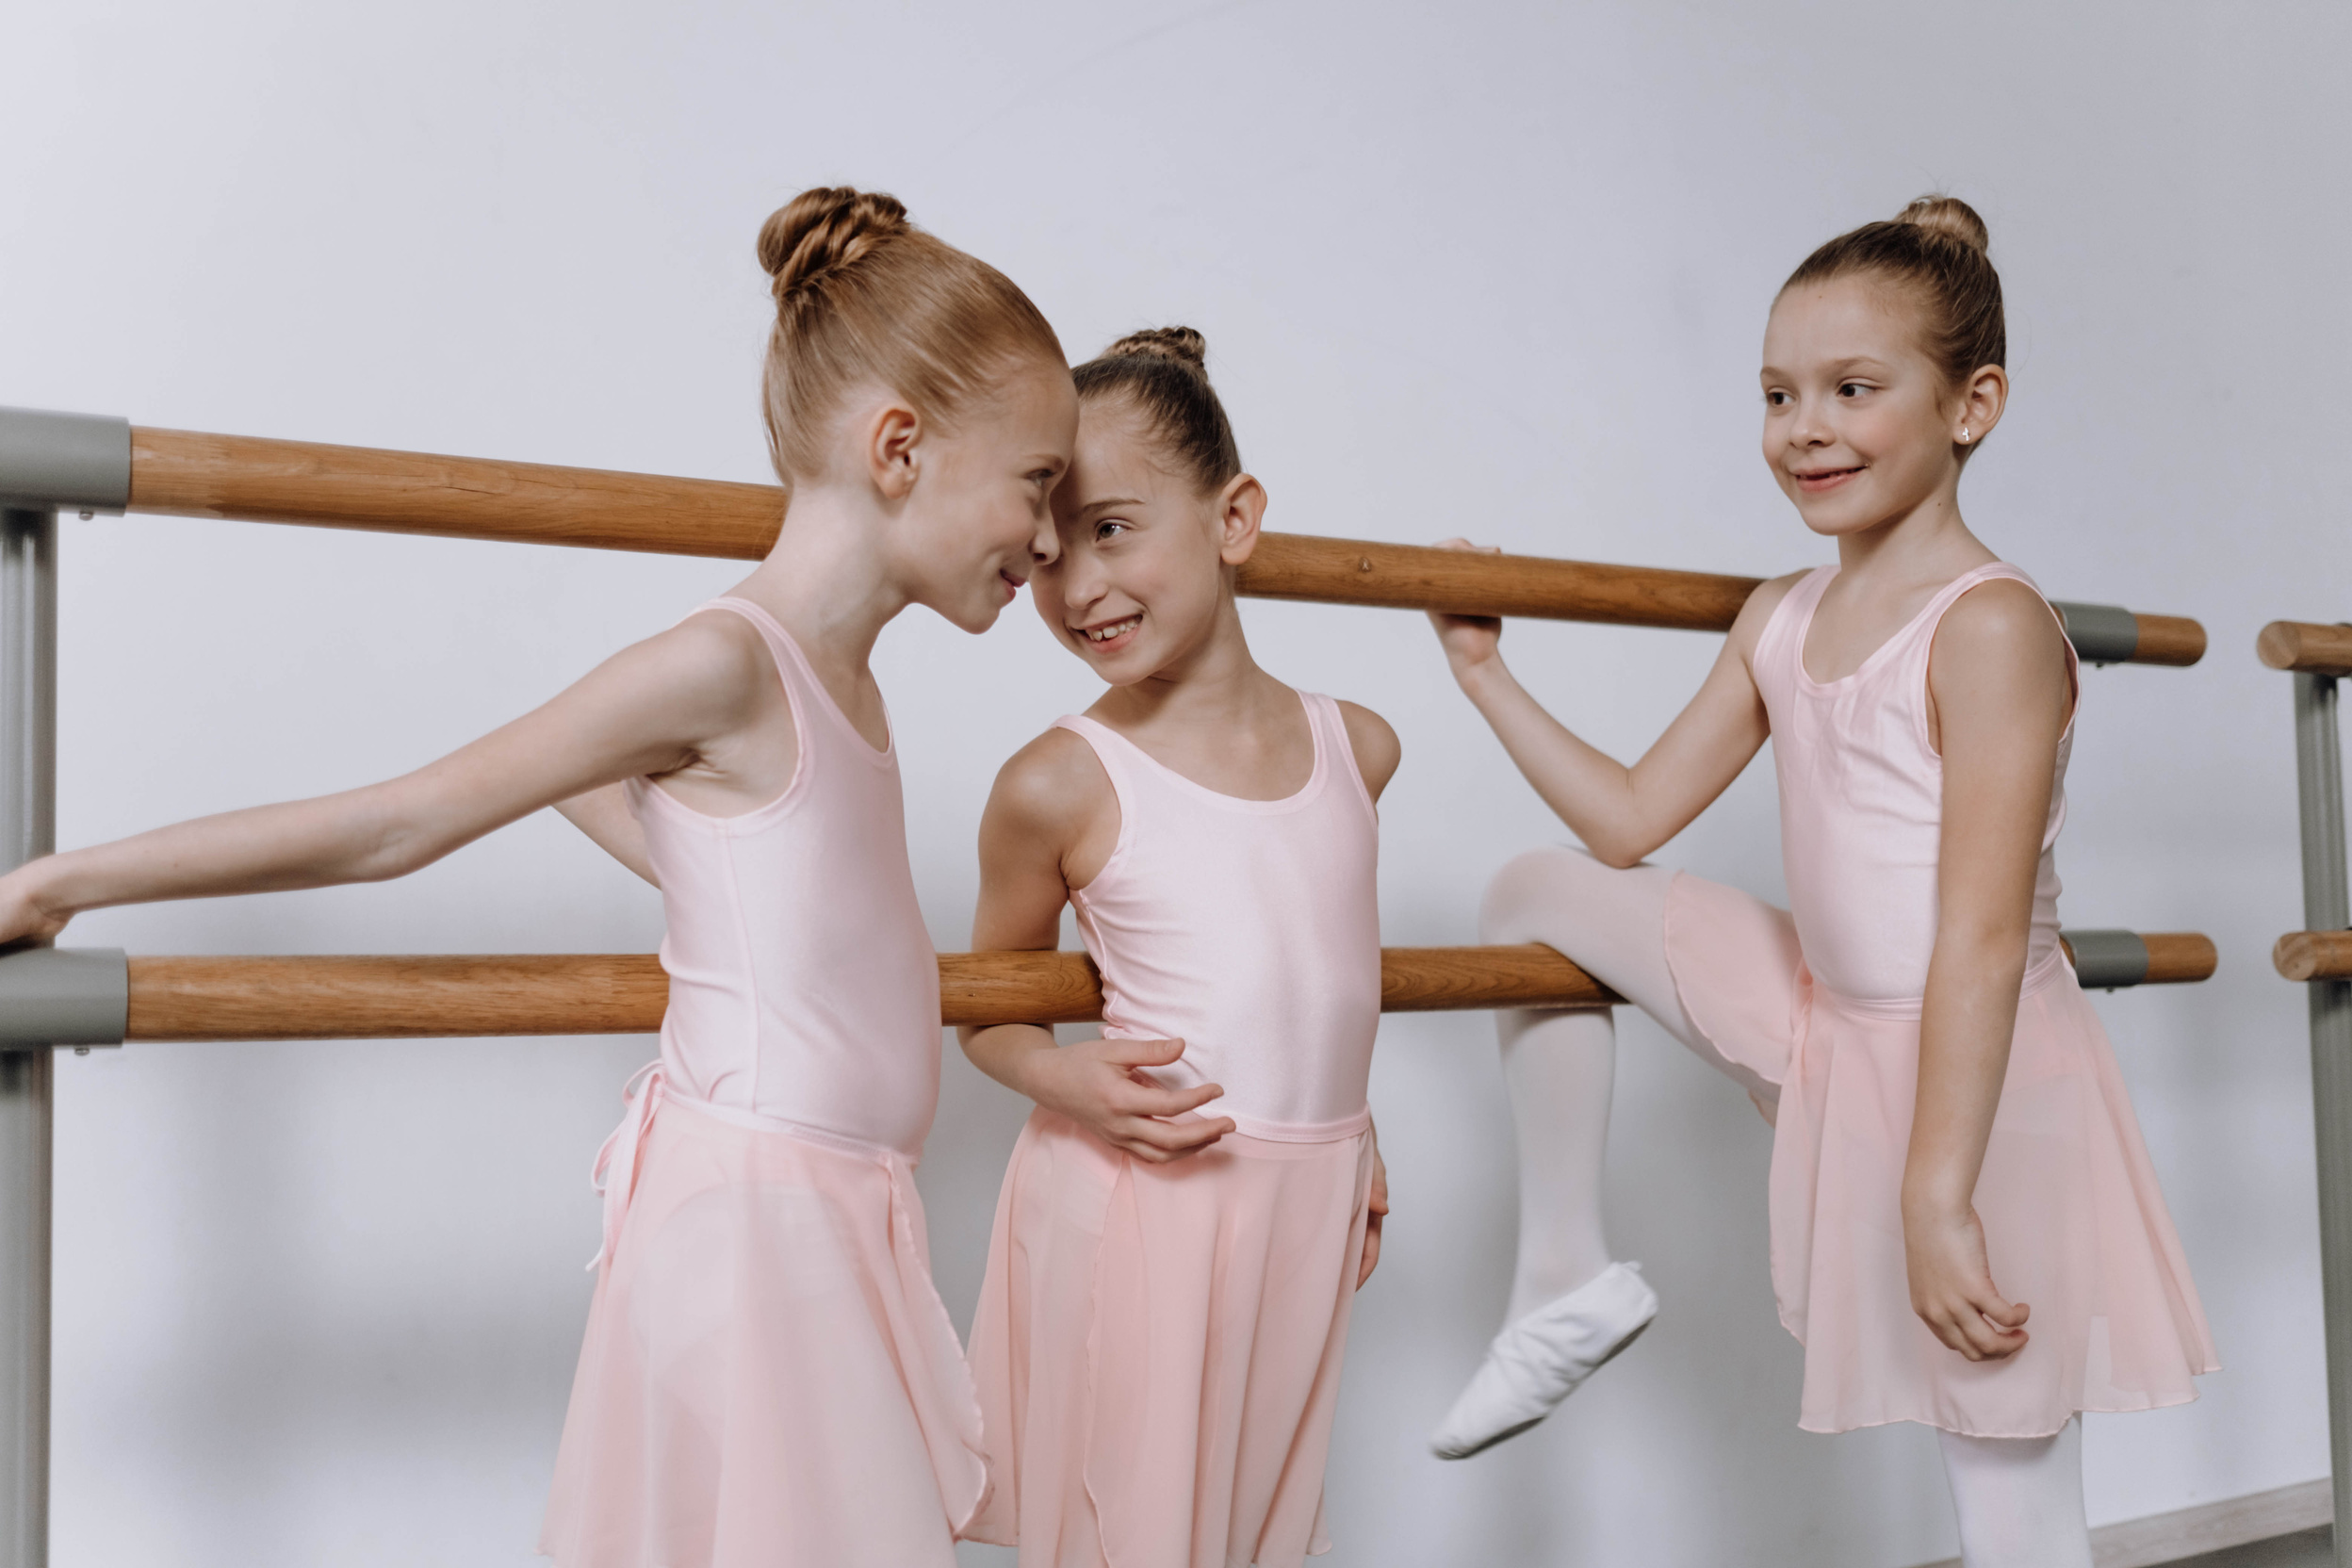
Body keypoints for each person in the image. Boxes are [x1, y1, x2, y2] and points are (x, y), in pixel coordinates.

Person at [0, 186, 1078, 1568]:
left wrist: (678, 854)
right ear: (899, 447)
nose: (1047, 540)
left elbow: (760, 888)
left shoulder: (843, 688)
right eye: (1037, 486)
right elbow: (402, 822)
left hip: (837, 1223)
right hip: (756, 1232)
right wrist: (61, 883)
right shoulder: (726, 665)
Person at [1424, 198, 2215, 1566]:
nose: (1806, 427)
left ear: (1974, 405)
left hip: (1981, 1081)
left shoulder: (1993, 629)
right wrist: (1487, 672)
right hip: (1825, 1026)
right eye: (1780, 393)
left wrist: (1936, 1195)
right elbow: (1628, 821)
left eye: (1855, 390)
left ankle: (1932, 1218)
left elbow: (1974, 944)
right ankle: (1565, 1274)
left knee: (2010, 1499)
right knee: (1533, 890)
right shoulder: (1779, 615)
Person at [957, 327, 1396, 1568]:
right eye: (1047, 552)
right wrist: (1062, 1077)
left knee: (1262, 1528)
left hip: (1299, 1203)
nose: (1079, 588)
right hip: (1148, 1198)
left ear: (1234, 516)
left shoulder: (1355, 751)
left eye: (1111, 529)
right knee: (1133, 1538)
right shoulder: (1059, 782)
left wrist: (1359, 1129)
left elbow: (1321, 980)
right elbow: (987, 1009)